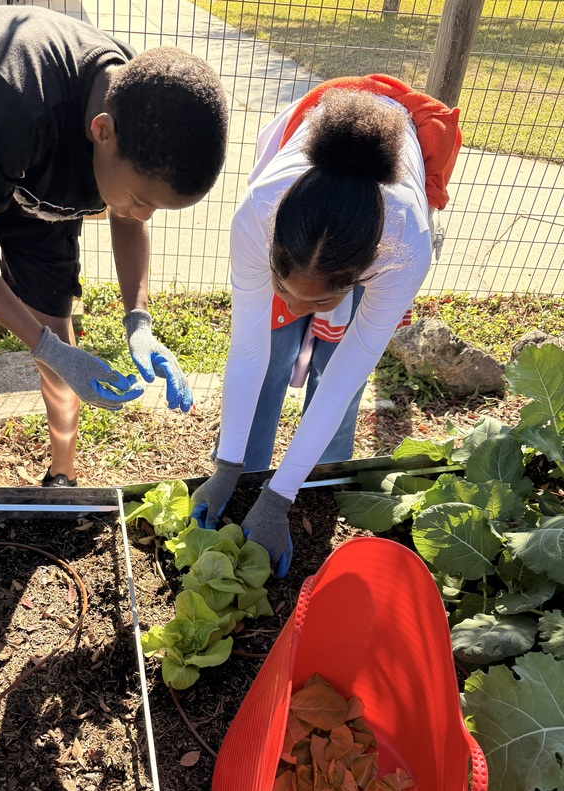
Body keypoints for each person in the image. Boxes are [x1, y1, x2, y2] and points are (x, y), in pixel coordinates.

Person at [0, 6, 228, 486]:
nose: (142, 216)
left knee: (57, 329)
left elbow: (126, 216)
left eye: (157, 208)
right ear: (101, 131)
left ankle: (62, 473)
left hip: (38, 182)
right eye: (141, 200)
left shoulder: (141, 104)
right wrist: (42, 347)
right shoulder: (13, 94)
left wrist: (139, 321)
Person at [191, 75, 461, 576]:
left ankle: (310, 484)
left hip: (381, 228)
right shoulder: (258, 212)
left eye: (315, 299)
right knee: (270, 352)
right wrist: (225, 469)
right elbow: (247, 351)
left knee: (334, 365)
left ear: (358, 277)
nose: (294, 306)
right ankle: (246, 476)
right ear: (274, 250)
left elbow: (344, 379)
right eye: (285, 288)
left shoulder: (404, 249)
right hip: (308, 193)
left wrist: (281, 501)